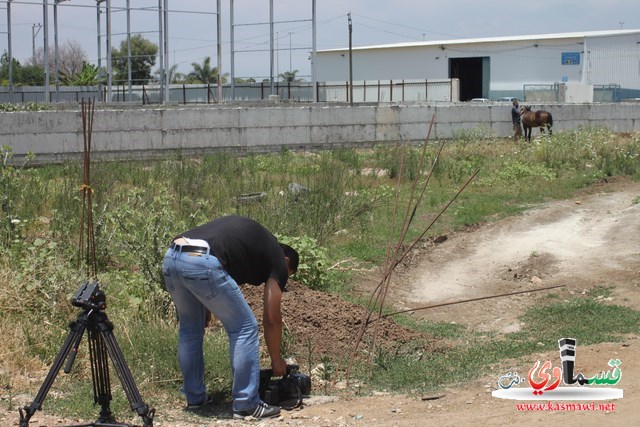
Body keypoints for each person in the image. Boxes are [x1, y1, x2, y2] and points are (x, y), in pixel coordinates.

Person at [162, 215, 299, 419]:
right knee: (245, 328)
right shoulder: (278, 259)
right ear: (286, 261)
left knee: (190, 329)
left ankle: (195, 399)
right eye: (288, 274)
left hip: (173, 256)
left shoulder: (250, 246)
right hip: (203, 260)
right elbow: (271, 318)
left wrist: (205, 304)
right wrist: (276, 359)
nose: (284, 278)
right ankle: (247, 404)